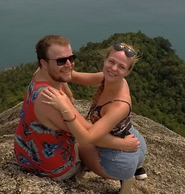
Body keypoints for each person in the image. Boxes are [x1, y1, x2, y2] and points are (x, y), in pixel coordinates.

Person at [14, 35, 139, 180]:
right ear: (44, 63)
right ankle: (121, 177)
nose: (68, 64)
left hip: (25, 153)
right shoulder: (49, 97)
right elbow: (87, 134)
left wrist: (67, 90)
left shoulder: (41, 75)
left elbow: (73, 76)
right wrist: (122, 144)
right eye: (61, 61)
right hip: (51, 167)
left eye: (71, 58)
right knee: (89, 146)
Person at [41, 41, 146, 194]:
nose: (114, 68)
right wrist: (51, 70)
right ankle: (136, 167)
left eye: (121, 66)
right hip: (135, 142)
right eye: (111, 62)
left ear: (128, 71)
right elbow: (77, 76)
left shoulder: (120, 105)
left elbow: (87, 138)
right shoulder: (111, 79)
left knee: (79, 145)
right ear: (105, 61)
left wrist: (65, 107)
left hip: (120, 161)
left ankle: (125, 177)